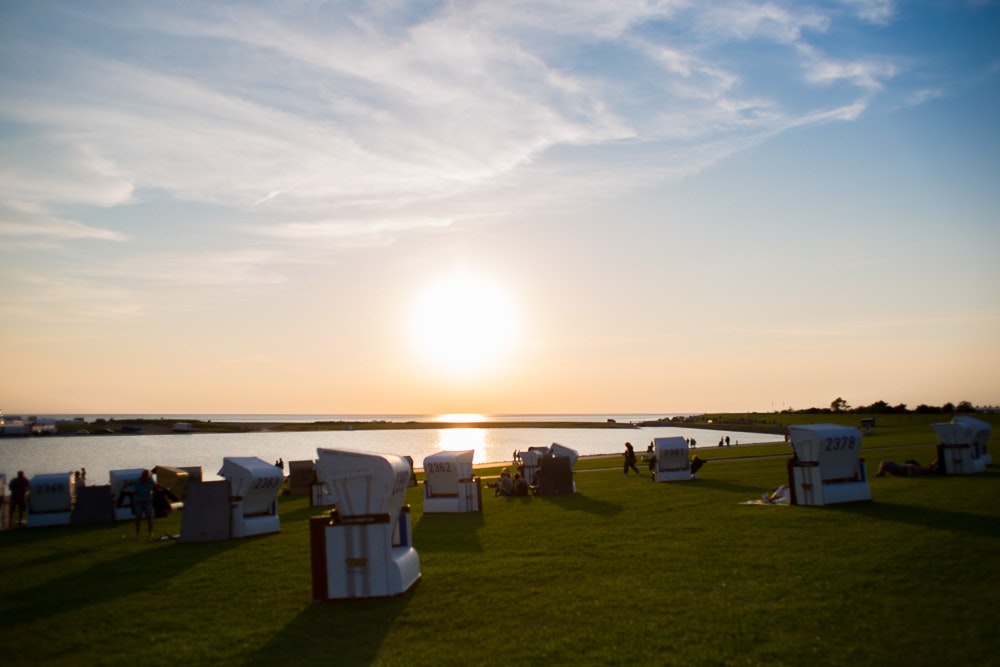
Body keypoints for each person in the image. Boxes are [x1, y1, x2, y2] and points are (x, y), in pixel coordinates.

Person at [127, 469, 157, 538]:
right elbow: (129, 483)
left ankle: (150, 532)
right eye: (144, 475)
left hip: (148, 500)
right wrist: (124, 487)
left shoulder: (151, 481)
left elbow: (155, 487)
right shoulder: (136, 480)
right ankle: (137, 533)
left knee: (149, 517)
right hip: (138, 501)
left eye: (146, 475)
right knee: (138, 517)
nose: (145, 477)